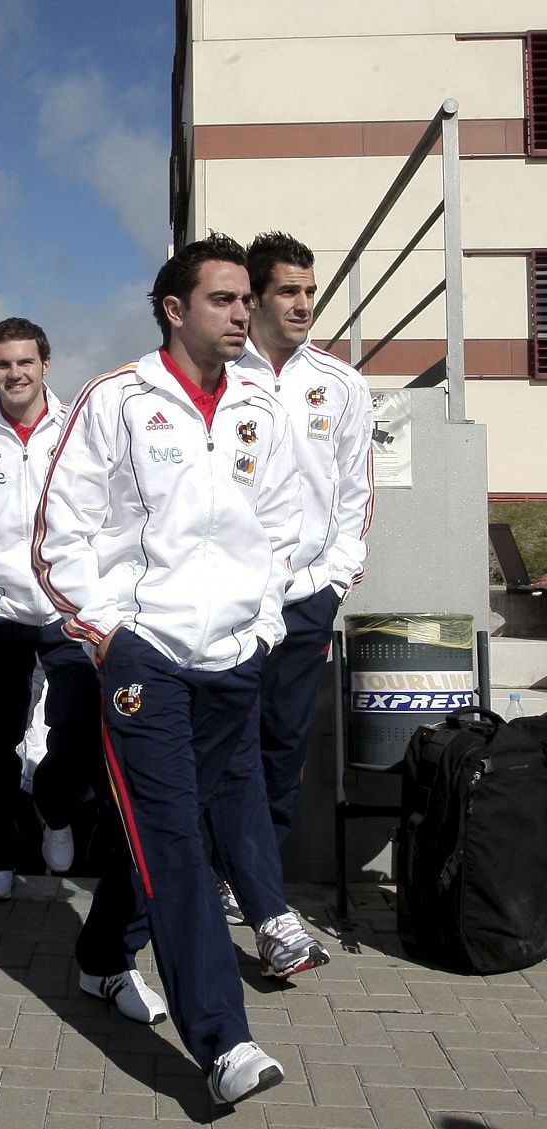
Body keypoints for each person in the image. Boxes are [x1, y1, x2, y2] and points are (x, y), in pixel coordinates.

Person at [33, 234, 314, 1105]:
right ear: (175, 308)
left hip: (233, 656)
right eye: (226, 300)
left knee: (164, 834)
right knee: (180, 848)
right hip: (144, 661)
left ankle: (99, 954)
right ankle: (225, 1044)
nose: (244, 314)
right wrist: (113, 632)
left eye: (245, 300)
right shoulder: (118, 400)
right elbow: (58, 537)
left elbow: (281, 529)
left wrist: (263, 628)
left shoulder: (259, 406)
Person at [0, 316, 164, 1027]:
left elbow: (116, 516)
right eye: (2, 364)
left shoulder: (82, 429)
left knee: (76, 737)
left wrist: (103, 602)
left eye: (25, 362)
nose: (15, 374)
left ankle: (58, 808)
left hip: (69, 612)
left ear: (46, 362)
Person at [211, 231, 374, 925]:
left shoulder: (341, 384)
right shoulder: (221, 376)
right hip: (231, 601)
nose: (305, 303)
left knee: (282, 741)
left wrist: (335, 578)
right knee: (223, 740)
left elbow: (355, 492)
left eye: (310, 290)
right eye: (289, 291)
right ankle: (215, 873)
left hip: (307, 598)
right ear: (257, 296)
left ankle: (260, 885)